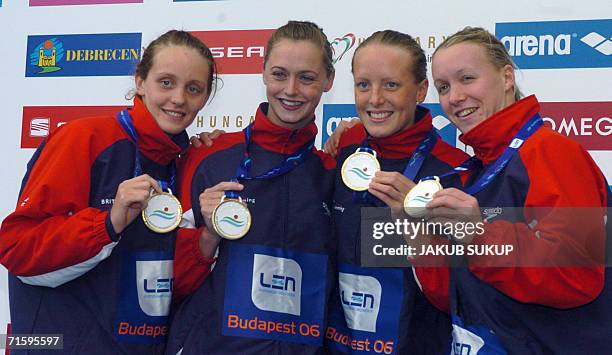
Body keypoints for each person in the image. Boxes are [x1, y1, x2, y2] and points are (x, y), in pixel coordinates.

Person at [0, 30, 219, 354]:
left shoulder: (184, 162)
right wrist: (107, 224)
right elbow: (17, 249)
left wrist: (206, 243)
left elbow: (165, 286)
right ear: (140, 81)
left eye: (193, 89)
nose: (178, 99)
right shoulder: (85, 138)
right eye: (166, 83)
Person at [424, 26, 612, 353]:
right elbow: (453, 296)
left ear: (507, 77)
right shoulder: (474, 170)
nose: (453, 97)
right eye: (443, 86)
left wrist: (478, 236)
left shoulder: (550, 152)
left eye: (467, 79)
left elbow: (578, 276)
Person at [165, 21, 336, 355]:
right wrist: (207, 237)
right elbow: (170, 280)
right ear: (262, 73)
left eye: (307, 78)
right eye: (279, 74)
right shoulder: (207, 157)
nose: (290, 89)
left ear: (328, 81)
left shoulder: (334, 172)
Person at [323, 30, 469, 355]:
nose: (374, 99)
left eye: (390, 85)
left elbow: (465, 297)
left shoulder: (456, 171)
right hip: (339, 344)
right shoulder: (345, 149)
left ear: (420, 90)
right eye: (363, 85)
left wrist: (416, 224)